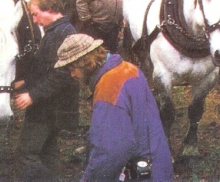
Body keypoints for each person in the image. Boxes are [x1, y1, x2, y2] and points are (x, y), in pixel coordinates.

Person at [55, 33, 173, 181]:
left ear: (86, 62)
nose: (72, 74)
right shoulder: (130, 69)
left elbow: (110, 153)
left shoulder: (109, 88)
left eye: (72, 68)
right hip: (158, 166)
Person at [14, 0, 78, 181]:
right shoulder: (57, 30)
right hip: (54, 107)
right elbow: (47, 67)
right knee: (48, 152)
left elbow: (61, 74)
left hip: (46, 108)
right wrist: (25, 81)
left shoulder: (61, 34)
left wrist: (32, 95)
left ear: (49, 10)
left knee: (26, 153)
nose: (34, 20)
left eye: (35, 14)